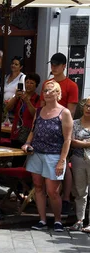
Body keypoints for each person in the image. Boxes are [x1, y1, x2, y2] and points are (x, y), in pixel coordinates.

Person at [22, 81, 73, 232]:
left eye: (51, 91)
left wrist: (62, 161)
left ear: (58, 93)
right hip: (36, 153)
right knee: (38, 187)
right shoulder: (39, 111)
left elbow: (67, 139)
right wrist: (27, 143)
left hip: (54, 155)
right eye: (45, 91)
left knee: (53, 191)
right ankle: (42, 219)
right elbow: (32, 130)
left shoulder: (64, 113)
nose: (47, 93)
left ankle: (57, 220)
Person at [41, 53, 80, 217]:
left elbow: (70, 111)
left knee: (64, 163)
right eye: (52, 64)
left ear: (64, 66)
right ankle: (48, 197)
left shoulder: (71, 85)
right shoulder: (47, 83)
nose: (54, 67)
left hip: (62, 126)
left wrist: (60, 126)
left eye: (57, 64)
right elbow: (42, 106)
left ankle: (65, 199)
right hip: (46, 126)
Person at [68, 97, 90, 232]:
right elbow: (72, 141)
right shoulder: (75, 123)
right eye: (87, 106)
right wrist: (87, 143)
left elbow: (77, 141)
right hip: (78, 159)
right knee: (80, 191)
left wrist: (81, 142)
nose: (89, 109)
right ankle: (79, 220)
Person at [6, 73, 41, 148]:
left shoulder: (38, 99)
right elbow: (7, 108)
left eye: (31, 83)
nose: (28, 85)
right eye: (27, 82)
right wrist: (15, 97)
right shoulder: (19, 97)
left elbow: (35, 114)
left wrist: (27, 101)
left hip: (28, 133)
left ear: (36, 85)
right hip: (16, 131)